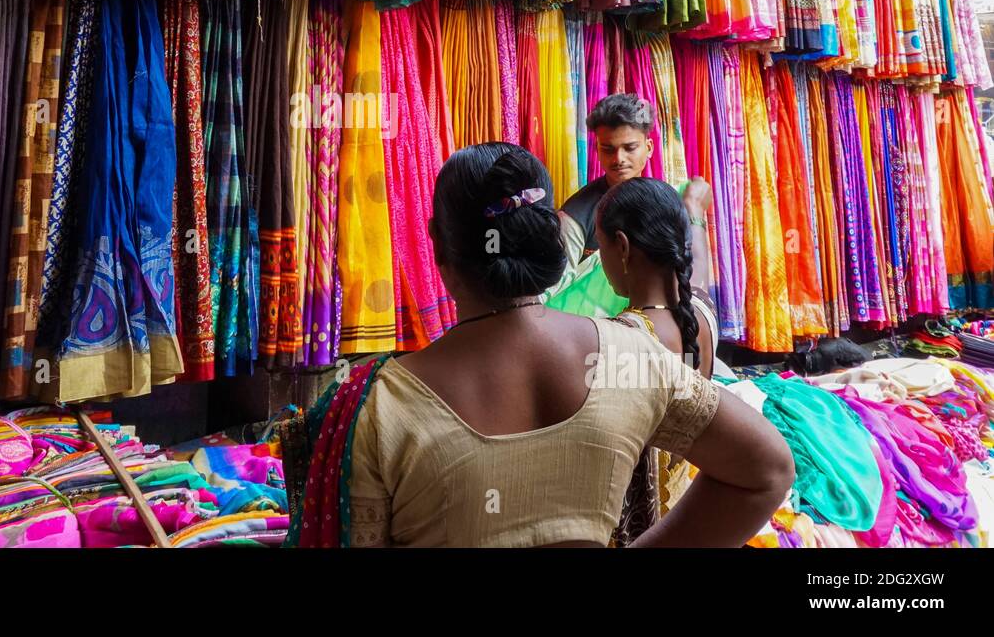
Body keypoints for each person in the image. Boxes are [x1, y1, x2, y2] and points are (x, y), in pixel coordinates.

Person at [321, 142, 793, 547]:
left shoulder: (375, 407)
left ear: (439, 248)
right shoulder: (629, 355)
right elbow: (766, 471)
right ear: (550, 240)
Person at [593, 175, 735, 543]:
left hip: (645, 531)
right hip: (684, 516)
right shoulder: (701, 316)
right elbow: (699, 268)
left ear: (621, 247)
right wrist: (694, 213)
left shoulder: (622, 339)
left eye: (600, 247)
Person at [558, 93, 655, 279]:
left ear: (648, 148)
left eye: (630, 148)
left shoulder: (665, 202)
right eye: (608, 149)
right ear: (597, 150)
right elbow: (557, 294)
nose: (618, 159)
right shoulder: (575, 218)